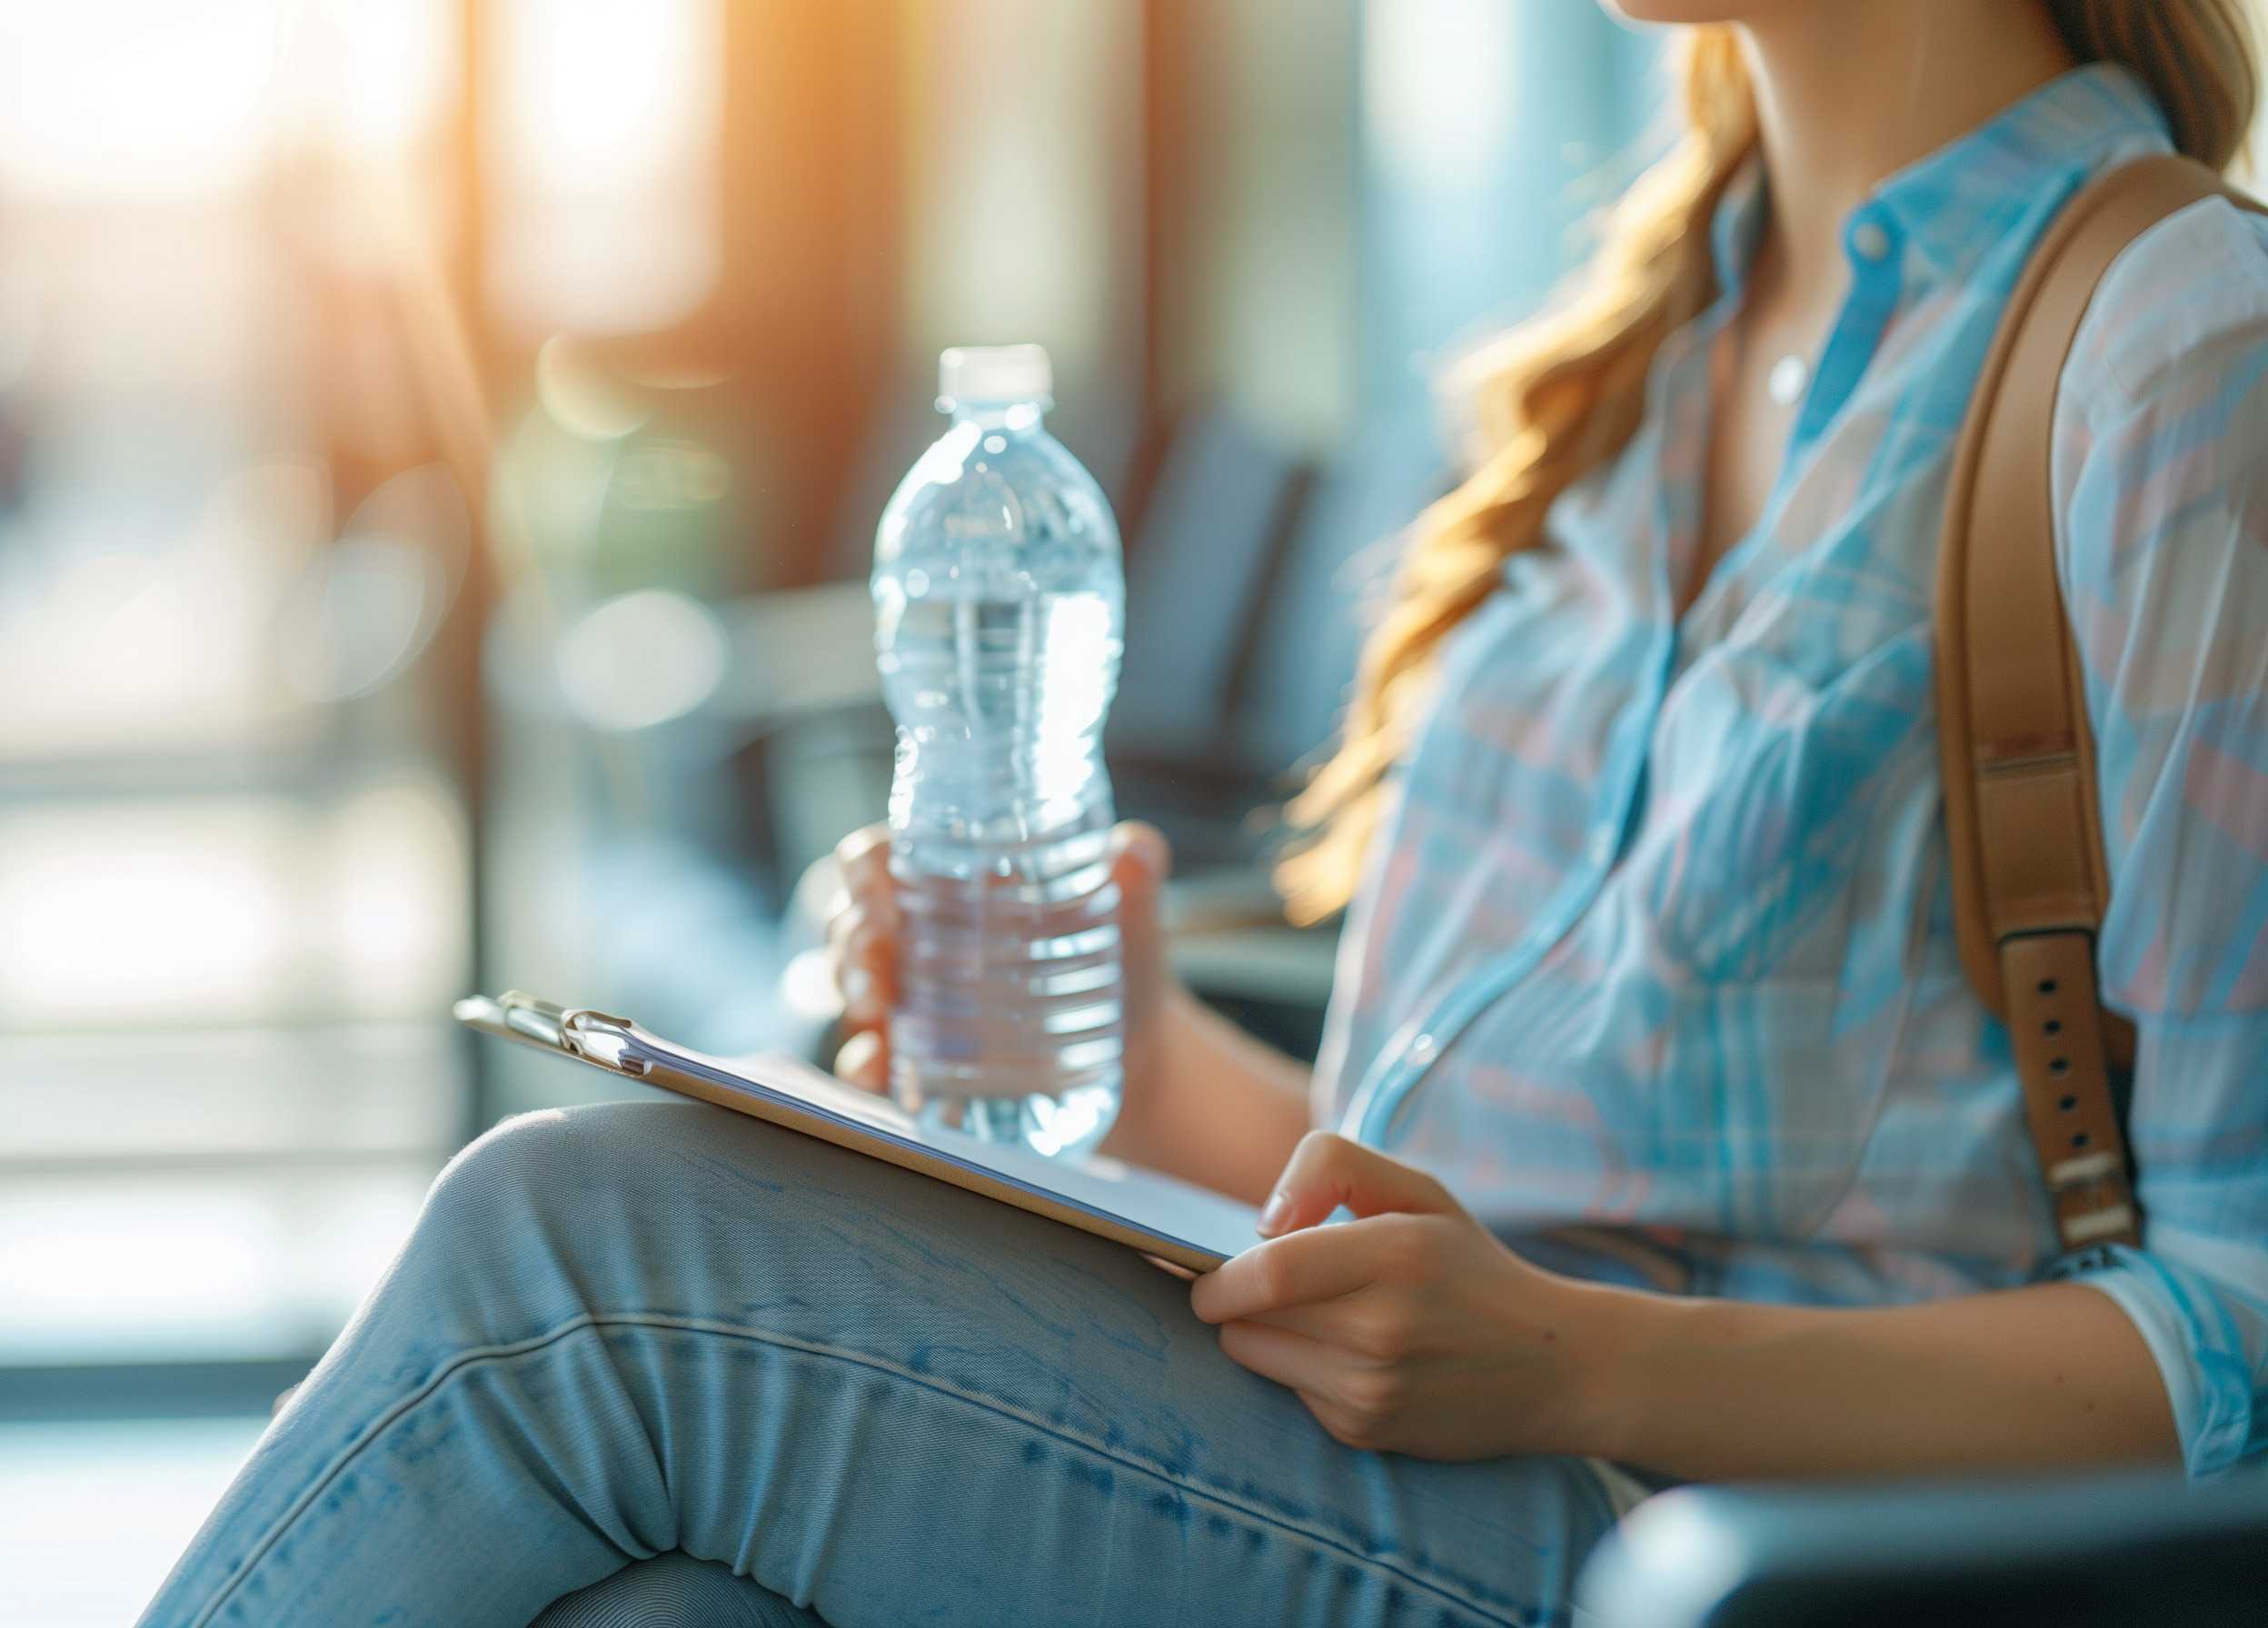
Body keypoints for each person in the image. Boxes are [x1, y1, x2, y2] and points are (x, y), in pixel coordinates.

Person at [141, 3, 2268, 1623]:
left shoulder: (2178, 352)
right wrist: (1146, 1062)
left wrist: (1579, 1364)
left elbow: (2243, 1332)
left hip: (1726, 1550)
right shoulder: (1651, 365)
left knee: (575, 1248)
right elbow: (1470, 1215)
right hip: (1446, 1453)